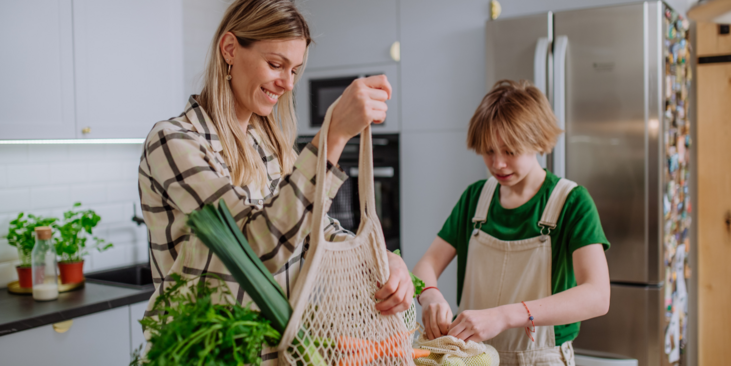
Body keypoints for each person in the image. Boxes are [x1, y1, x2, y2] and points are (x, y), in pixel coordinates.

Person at [137, 0, 413, 363]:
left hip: (275, 352)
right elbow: (252, 249)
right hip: (204, 355)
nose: (287, 83)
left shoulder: (270, 144)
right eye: (276, 64)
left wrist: (385, 261)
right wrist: (332, 136)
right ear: (230, 49)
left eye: (295, 69)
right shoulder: (174, 142)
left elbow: (317, 230)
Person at [412, 80, 611, 366]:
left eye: (510, 151)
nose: (498, 164)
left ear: (538, 141)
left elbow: (597, 295)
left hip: (540, 358)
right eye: (489, 151)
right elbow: (427, 263)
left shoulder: (572, 202)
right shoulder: (475, 198)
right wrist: (429, 295)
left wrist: (504, 316)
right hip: (469, 358)